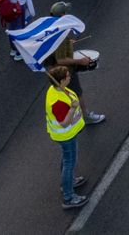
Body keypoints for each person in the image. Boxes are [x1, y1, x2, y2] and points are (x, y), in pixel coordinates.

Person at [44, 64, 88, 210]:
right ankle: (68, 197)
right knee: (69, 163)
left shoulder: (56, 89)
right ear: (62, 80)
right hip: (66, 135)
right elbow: (64, 123)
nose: (70, 77)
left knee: (66, 160)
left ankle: (67, 184)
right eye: (68, 76)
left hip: (68, 135)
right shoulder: (58, 102)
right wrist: (74, 107)